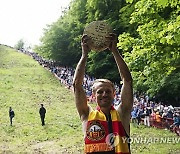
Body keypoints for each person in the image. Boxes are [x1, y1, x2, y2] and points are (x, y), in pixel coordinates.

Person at [73, 33, 133, 153]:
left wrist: (115, 51)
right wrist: (84, 55)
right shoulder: (86, 115)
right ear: (93, 96)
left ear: (114, 94)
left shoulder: (122, 113)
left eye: (108, 91)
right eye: (100, 92)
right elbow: (77, 85)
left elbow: (127, 81)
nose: (104, 94)